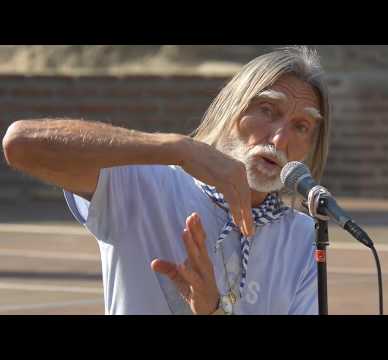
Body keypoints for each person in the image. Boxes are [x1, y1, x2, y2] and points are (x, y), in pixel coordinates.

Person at [2, 46, 331, 315]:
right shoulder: (145, 186)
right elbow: (22, 145)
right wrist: (177, 149)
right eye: (267, 110)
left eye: (301, 126)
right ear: (232, 108)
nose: (278, 138)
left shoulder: (303, 238)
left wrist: (212, 311)